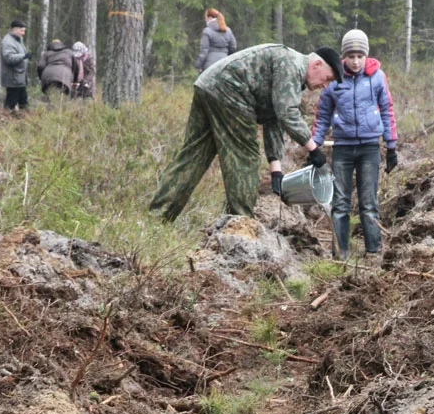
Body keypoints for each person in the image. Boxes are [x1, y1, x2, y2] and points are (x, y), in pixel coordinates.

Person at [149, 44, 343, 221]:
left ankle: (157, 217)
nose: (325, 86)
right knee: (245, 158)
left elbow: (273, 118)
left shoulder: (291, 69)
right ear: (317, 64)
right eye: (328, 79)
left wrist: (276, 170)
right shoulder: (292, 64)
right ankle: (241, 223)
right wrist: (313, 148)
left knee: (193, 156)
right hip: (229, 92)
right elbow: (287, 114)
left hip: (208, 86)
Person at [312, 29, 398, 261]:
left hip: (370, 147)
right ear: (344, 57)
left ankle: (373, 251)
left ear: (366, 56)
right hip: (342, 148)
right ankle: (340, 253)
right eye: (351, 56)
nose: (356, 61)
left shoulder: (378, 77)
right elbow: (321, 116)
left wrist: (391, 146)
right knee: (340, 202)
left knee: (368, 201)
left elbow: (387, 110)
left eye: (360, 56)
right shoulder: (333, 80)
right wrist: (314, 145)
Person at [1, 20, 31, 110]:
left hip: (20, 78)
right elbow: (9, 58)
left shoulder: (18, 40)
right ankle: (6, 120)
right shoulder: (7, 42)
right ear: (14, 30)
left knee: (24, 102)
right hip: (13, 79)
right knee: (10, 103)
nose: (24, 33)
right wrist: (24, 56)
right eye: (22, 31)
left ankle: (25, 121)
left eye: (24, 31)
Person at [195, 8, 237, 74]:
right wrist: (226, 56)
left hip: (209, 66)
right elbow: (233, 47)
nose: (205, 20)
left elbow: (204, 51)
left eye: (205, 18)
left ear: (210, 18)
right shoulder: (228, 30)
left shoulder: (207, 31)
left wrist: (199, 66)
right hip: (224, 64)